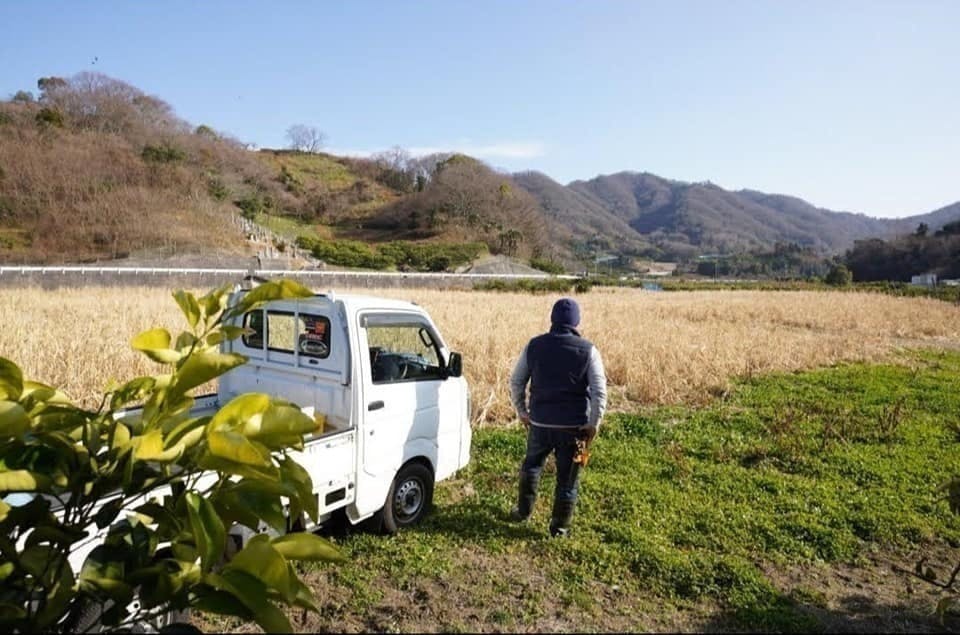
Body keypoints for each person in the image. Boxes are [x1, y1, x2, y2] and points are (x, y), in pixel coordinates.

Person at [508, 297, 607, 537]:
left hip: (540, 423)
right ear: (576, 322)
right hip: (574, 428)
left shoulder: (534, 345)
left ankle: (523, 512)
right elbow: (599, 391)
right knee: (568, 479)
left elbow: (516, 381)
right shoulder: (589, 351)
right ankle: (559, 528)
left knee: (532, 466)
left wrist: (522, 412)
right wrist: (593, 424)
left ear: (552, 319)